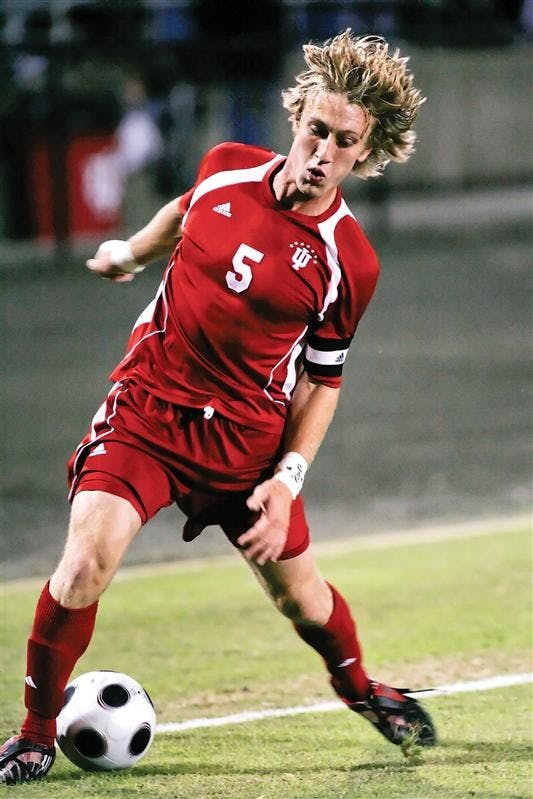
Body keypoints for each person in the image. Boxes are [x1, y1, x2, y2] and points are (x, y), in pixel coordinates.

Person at [0, 30, 436, 785]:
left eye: (343, 142)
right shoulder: (226, 168)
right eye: (316, 131)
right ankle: (36, 734)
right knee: (83, 565)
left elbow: (321, 381)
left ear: (364, 156)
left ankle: (363, 689)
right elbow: (181, 210)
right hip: (147, 411)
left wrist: (286, 479)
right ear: (295, 119)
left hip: (246, 447)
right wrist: (131, 255)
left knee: (303, 601)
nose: (322, 152)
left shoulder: (349, 261)